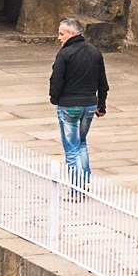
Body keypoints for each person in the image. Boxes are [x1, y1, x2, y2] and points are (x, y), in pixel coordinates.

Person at [47, 17, 108, 197]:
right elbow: (102, 82)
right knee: (81, 143)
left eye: (61, 33)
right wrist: (101, 104)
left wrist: (55, 98)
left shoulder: (65, 54)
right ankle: (85, 182)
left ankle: (75, 190)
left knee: (71, 149)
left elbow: (56, 80)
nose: (59, 37)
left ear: (72, 33)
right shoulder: (94, 52)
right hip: (89, 105)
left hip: (69, 106)